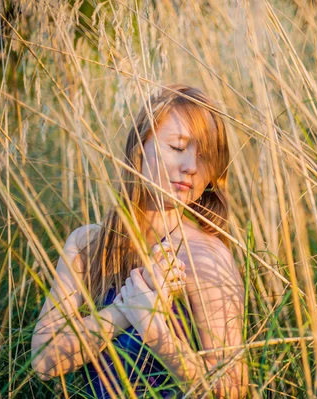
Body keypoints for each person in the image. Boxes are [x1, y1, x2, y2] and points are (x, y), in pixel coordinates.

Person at [31, 84, 248, 398]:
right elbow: (42, 361)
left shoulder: (203, 255)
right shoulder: (88, 244)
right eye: (177, 146)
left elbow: (232, 390)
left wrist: (158, 333)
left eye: (205, 156)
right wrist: (125, 310)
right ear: (139, 146)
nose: (191, 166)